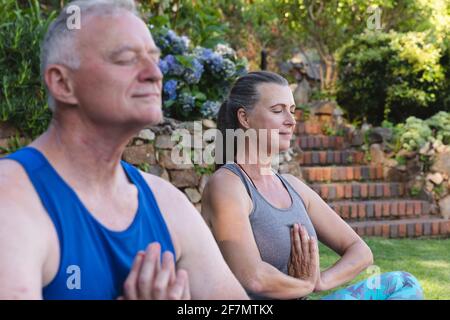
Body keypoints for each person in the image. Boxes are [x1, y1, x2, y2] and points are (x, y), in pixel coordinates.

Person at [0, 0, 248, 300]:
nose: (154, 74)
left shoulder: (167, 203)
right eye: (127, 59)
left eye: (154, 58)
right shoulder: (13, 200)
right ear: (63, 83)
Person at [201, 71, 424, 300]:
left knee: (404, 283)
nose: (291, 120)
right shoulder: (228, 185)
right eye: (278, 110)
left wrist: (319, 281)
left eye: (292, 110)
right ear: (245, 118)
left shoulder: (292, 186)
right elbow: (254, 277)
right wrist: (305, 285)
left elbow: (360, 251)